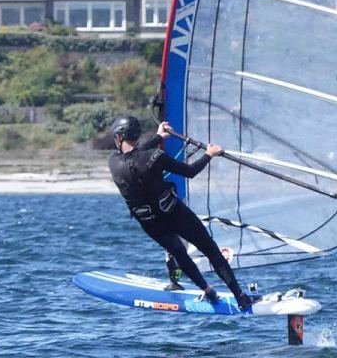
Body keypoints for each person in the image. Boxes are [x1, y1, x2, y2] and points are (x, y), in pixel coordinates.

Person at [108, 115, 257, 311]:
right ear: (136, 135)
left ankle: (207, 289)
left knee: (179, 253)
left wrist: (158, 137)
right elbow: (189, 171)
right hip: (174, 214)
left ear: (119, 138)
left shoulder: (113, 161)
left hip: (150, 223)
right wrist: (209, 154)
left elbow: (135, 157)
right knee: (210, 250)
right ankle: (240, 297)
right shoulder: (155, 157)